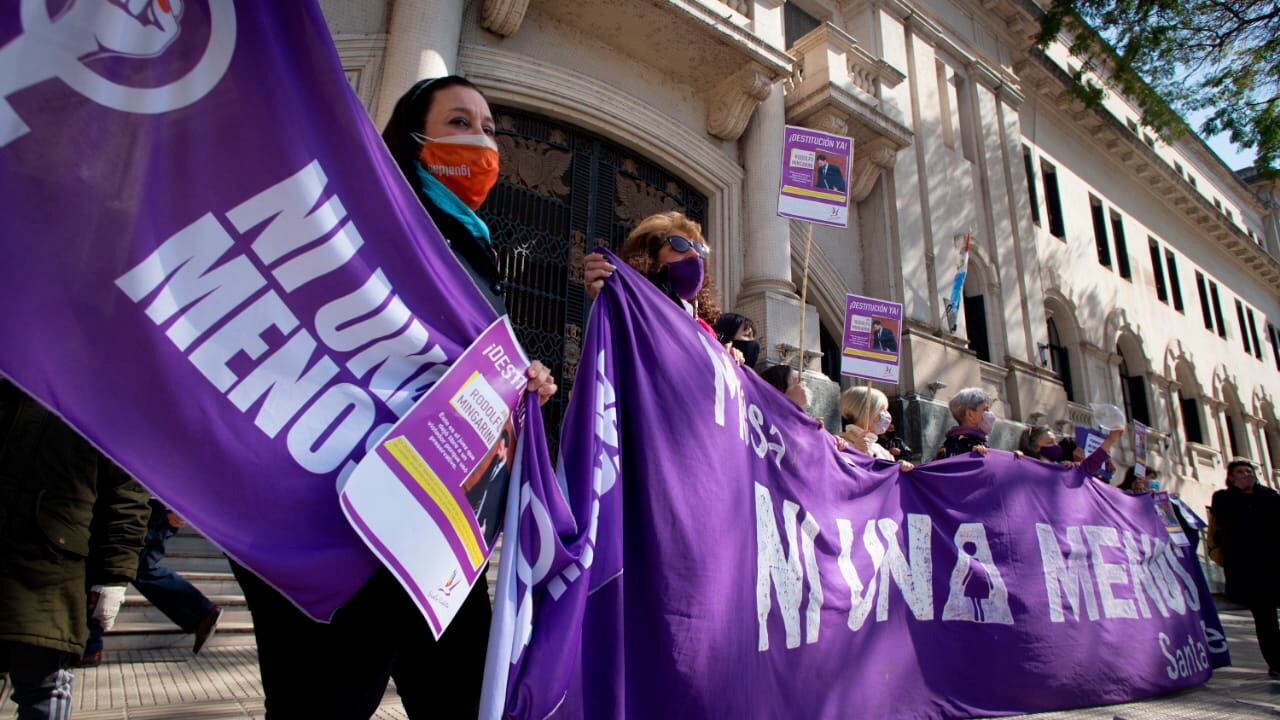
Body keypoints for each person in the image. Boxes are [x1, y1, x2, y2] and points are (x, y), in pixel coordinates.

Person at [229, 75, 558, 720]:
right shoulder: (364, 227)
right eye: (460, 122)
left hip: (442, 539)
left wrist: (525, 385)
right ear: (412, 138)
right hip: (350, 528)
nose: (483, 142)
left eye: (490, 128)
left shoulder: (476, 250)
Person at [1, 380, 151, 719]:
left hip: (48, 575)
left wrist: (114, 575)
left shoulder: (99, 391)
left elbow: (127, 492)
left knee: (43, 688)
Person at [81, 500, 223, 667]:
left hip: (145, 508)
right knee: (140, 569)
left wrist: (172, 509)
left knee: (109, 568)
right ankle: (201, 613)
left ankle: (90, 647)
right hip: (152, 508)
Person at [582, 211, 721, 338]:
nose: (694, 254)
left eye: (698, 248)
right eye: (680, 244)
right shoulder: (632, 307)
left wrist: (729, 358)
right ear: (650, 255)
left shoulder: (707, 331)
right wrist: (610, 300)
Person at [1209, 459, 1280, 679]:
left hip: (1275, 564)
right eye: (1240, 472)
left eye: (1249, 471)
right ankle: (1276, 663)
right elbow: (1221, 521)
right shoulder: (1224, 499)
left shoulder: (1269, 496)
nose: (1245, 475)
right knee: (1265, 618)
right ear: (1231, 477)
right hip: (1249, 571)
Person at [839, 387, 914, 471]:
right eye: (882, 410)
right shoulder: (839, 444)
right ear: (864, 411)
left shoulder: (883, 452)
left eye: (886, 410)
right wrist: (859, 455)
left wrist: (899, 468)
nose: (887, 415)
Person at [935, 387, 994, 459]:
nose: (990, 414)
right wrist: (971, 456)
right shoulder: (954, 445)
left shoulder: (978, 441)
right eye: (985, 410)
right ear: (970, 415)